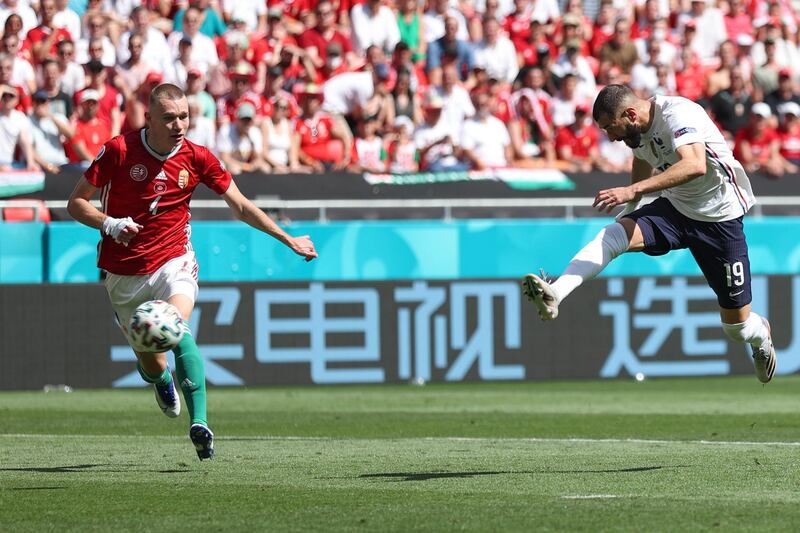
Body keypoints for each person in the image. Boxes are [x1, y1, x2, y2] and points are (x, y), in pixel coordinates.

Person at [66, 84, 318, 459]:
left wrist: (287, 238)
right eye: (169, 117)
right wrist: (110, 224)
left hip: (174, 258)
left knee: (174, 326)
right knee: (152, 359)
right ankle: (160, 379)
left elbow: (242, 206)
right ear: (148, 118)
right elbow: (76, 204)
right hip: (123, 271)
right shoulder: (119, 150)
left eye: (184, 116)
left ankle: (200, 422)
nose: (179, 124)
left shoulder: (198, 157)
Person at [523, 84, 776, 384]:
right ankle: (557, 293)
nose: (610, 137)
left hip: (719, 217)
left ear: (630, 114)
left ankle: (761, 336)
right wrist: (632, 206)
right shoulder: (637, 129)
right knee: (614, 235)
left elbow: (694, 165)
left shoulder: (678, 114)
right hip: (676, 207)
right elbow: (643, 157)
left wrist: (632, 190)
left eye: (610, 127)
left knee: (737, 328)